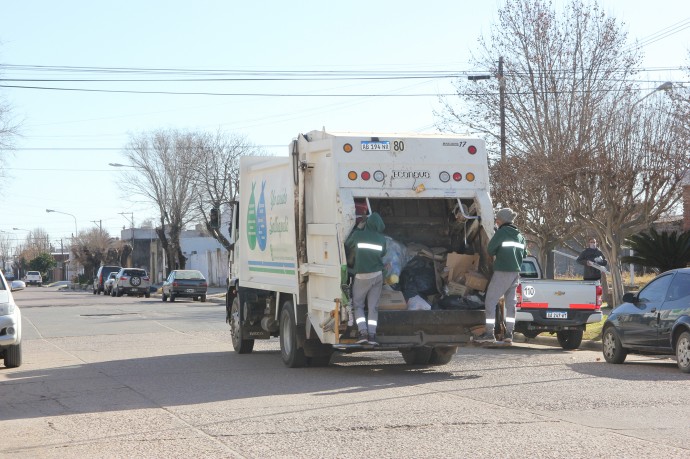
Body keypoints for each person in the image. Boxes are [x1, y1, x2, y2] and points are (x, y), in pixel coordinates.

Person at [474, 208, 528, 345]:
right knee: (511, 304)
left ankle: (489, 333)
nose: (496, 222)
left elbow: (490, 249)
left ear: (502, 220)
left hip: (502, 271)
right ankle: (509, 334)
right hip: (515, 273)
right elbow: (525, 254)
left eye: (497, 219)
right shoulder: (520, 236)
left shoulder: (502, 233)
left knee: (490, 301)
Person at [345, 212, 387, 345]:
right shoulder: (382, 239)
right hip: (378, 276)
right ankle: (372, 336)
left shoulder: (359, 235)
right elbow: (383, 253)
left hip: (362, 276)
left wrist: (358, 228)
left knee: (358, 305)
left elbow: (347, 243)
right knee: (373, 307)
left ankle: (363, 333)